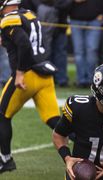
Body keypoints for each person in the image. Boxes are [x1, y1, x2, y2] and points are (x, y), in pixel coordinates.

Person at [0, 0, 61, 173]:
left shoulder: (9, 20)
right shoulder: (28, 14)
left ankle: (5, 159)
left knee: (2, 115)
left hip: (26, 76)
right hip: (44, 74)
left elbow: (25, 44)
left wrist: (19, 73)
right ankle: (87, 144)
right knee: (54, 120)